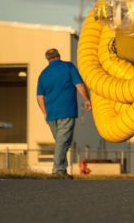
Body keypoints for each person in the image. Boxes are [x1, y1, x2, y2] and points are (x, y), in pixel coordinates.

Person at [36, 48, 92, 176]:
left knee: (61, 143)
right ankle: (57, 170)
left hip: (51, 114)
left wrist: (45, 112)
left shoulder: (43, 74)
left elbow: (39, 96)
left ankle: (62, 170)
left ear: (47, 59)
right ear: (59, 56)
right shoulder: (68, 66)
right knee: (62, 142)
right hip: (66, 111)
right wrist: (87, 99)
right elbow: (79, 84)